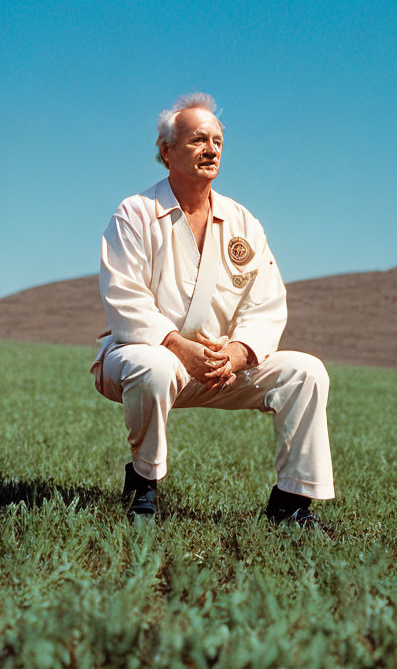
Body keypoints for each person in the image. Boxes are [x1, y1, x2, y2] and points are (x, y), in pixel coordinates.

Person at [91, 92, 334, 526]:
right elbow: (124, 298)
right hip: (145, 359)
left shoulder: (244, 223)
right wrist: (178, 347)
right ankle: (144, 487)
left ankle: (291, 504)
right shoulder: (135, 214)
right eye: (198, 140)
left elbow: (267, 303)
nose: (211, 149)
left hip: (222, 364)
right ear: (166, 152)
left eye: (218, 141)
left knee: (306, 372)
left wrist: (238, 353)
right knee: (154, 366)